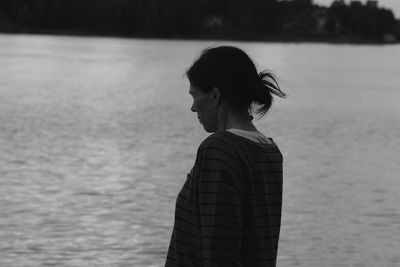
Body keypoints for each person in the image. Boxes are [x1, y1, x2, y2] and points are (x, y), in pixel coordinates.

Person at [165, 46, 286, 267]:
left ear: (215, 96)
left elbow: (219, 251)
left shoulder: (220, 150)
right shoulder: (269, 151)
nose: (192, 108)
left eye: (195, 96)